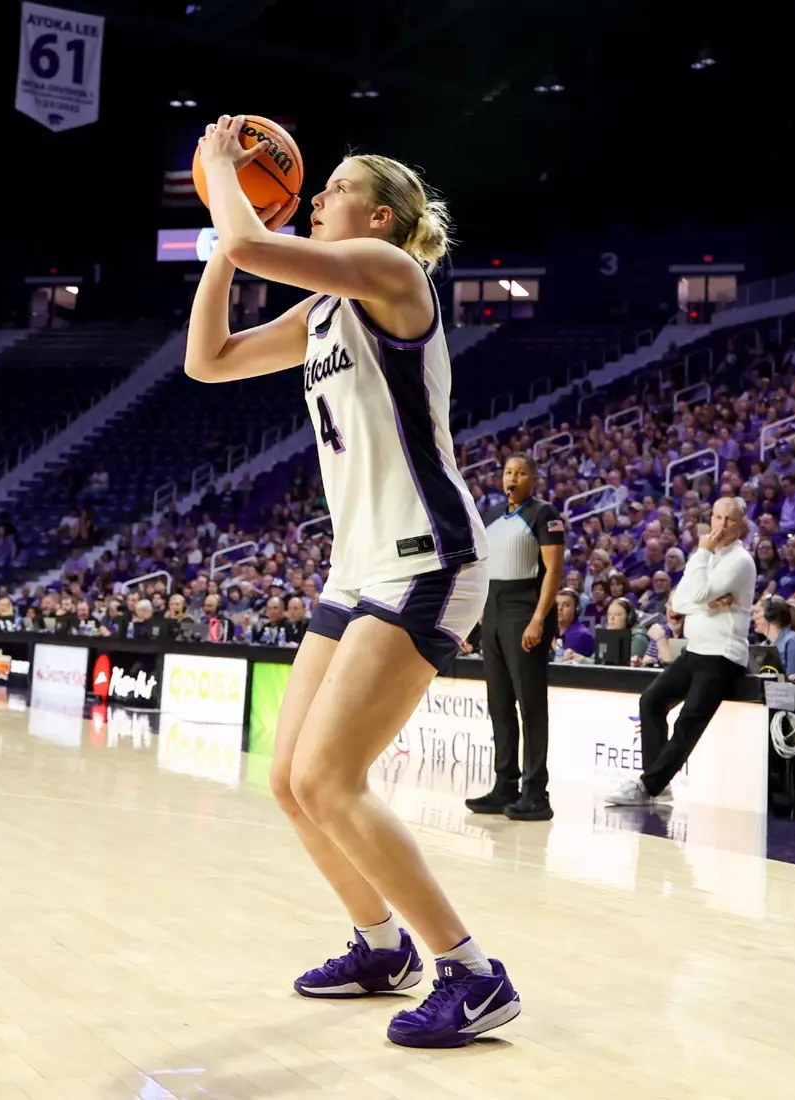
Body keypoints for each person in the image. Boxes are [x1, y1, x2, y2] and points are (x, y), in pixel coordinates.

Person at [184, 124, 514, 1047]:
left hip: (428, 556)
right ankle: (381, 947)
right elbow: (208, 360)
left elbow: (255, 243)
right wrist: (221, 233)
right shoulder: (326, 310)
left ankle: (472, 973)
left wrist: (220, 173)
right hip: (358, 566)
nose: (318, 197)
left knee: (333, 778)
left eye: (332, 188)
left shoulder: (391, 273)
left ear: (377, 216)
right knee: (291, 781)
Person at [606, 497, 756, 807]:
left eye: (730, 520)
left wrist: (701, 570)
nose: (722, 525)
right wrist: (705, 598)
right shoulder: (706, 558)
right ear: (710, 519)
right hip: (696, 650)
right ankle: (658, 785)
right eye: (717, 517)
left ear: (741, 526)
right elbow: (679, 604)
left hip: (722, 656)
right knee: (651, 701)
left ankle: (647, 786)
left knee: (688, 721)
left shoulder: (740, 561)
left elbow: (695, 594)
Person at [467, 452, 565, 822]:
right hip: (493, 609)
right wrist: (475, 621)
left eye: (521, 473)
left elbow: (554, 571)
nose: (513, 478)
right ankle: (504, 785)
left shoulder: (545, 515)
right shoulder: (491, 515)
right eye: (508, 472)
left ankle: (536, 793)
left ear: (533, 479)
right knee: (500, 704)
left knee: (531, 705)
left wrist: (539, 618)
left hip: (524, 609)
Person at [753, 596, 795, 678]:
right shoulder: (764, 645)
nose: (753, 617)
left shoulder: (794, 641)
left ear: (770, 614)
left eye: (757, 612)